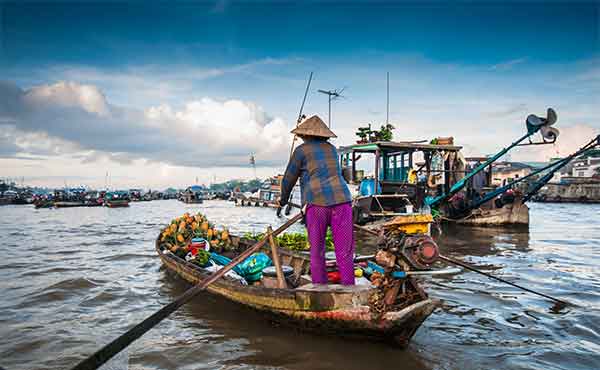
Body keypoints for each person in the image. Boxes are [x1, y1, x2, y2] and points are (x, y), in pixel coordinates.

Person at [278, 115, 355, 285]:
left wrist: (283, 201)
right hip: (342, 201)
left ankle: (320, 287)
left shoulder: (301, 151)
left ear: (304, 135)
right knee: (344, 251)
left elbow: (288, 178)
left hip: (317, 203)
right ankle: (350, 289)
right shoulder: (332, 149)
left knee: (317, 250)